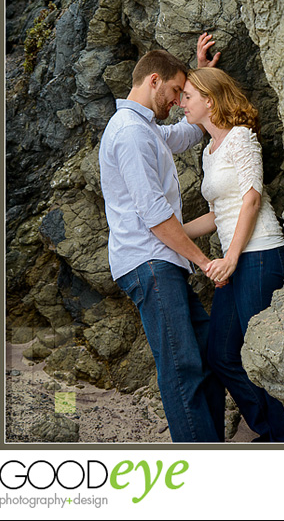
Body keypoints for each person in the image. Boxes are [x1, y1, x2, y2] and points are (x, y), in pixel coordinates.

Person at [98, 35, 226, 443]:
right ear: (153, 81)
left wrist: (196, 80)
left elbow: (188, 132)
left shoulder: (145, 128)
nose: (176, 100)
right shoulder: (130, 134)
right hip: (149, 262)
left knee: (206, 357)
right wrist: (204, 263)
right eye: (173, 91)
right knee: (182, 366)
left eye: (180, 94)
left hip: (161, 262)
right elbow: (155, 216)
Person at [181, 62, 284, 443]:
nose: (182, 103)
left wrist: (231, 258)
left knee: (261, 354)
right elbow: (219, 214)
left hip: (260, 254)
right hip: (232, 261)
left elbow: (251, 198)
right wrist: (170, 234)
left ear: (208, 99)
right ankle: (273, 432)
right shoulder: (210, 151)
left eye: (188, 97)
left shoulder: (241, 138)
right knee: (222, 356)